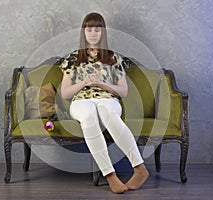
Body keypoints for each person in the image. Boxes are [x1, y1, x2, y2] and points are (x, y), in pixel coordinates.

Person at [59, 12, 149, 194]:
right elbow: (65, 93)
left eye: (97, 29)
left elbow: (123, 91)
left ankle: (139, 168)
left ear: (103, 32)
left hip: (108, 99)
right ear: (84, 32)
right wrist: (84, 83)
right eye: (89, 29)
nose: (93, 33)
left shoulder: (112, 57)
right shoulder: (73, 59)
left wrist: (100, 83)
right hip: (81, 101)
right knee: (89, 113)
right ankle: (110, 175)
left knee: (106, 111)